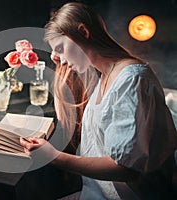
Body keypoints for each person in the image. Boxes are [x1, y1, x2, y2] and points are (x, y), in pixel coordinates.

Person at [20, 2, 177, 199]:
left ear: (83, 32)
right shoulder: (105, 76)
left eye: (60, 48)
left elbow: (126, 169)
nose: (57, 58)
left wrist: (54, 157)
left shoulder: (132, 80)